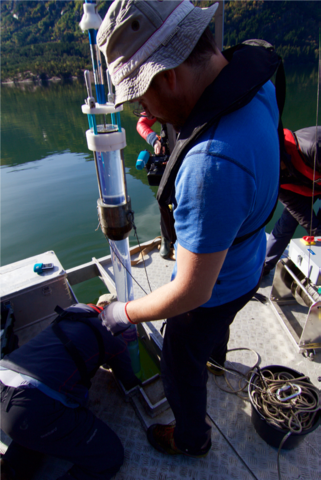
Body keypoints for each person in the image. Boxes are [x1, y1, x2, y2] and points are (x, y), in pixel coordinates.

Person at [97, 0, 281, 458]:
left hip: (215, 287)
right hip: (248, 261)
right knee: (216, 326)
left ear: (168, 76)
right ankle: (215, 359)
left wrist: (121, 313)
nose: (147, 112)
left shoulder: (210, 166)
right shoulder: (253, 80)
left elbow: (191, 293)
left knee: (181, 360)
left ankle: (190, 438)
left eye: (142, 97)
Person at [0, 297, 139, 480]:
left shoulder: (73, 311)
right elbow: (128, 379)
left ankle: (8, 470)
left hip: (5, 380)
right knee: (109, 455)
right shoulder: (114, 340)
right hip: (32, 406)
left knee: (34, 436)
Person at [264, 126, 321, 275]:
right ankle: (264, 266)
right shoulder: (273, 175)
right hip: (309, 183)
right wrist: (315, 230)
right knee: (287, 223)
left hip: (313, 175)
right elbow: (297, 208)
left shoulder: (314, 147)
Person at [136, 114, 176, 258]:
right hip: (168, 158)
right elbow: (142, 123)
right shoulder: (160, 98)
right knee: (164, 199)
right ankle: (167, 238)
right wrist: (154, 140)